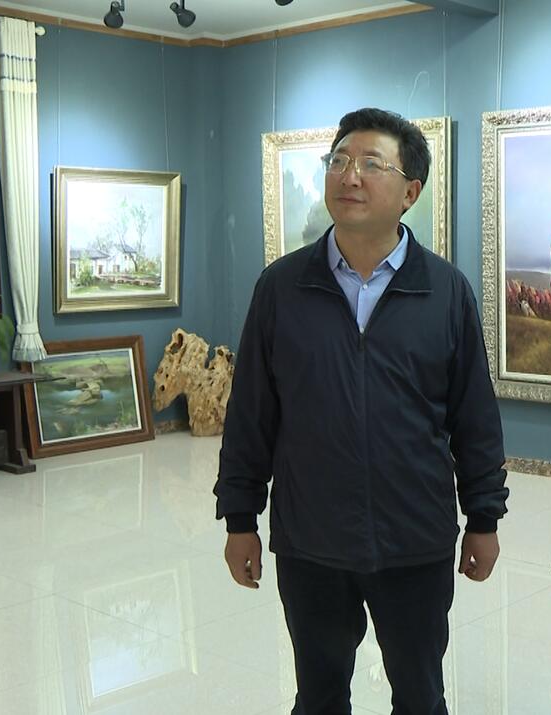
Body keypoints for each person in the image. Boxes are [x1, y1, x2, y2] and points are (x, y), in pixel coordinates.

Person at [214, 107, 509, 715]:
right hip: (311, 542)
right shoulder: (282, 287)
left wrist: (484, 516)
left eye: (371, 164)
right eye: (339, 161)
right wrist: (239, 516)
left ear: (410, 192)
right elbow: (251, 415)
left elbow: (474, 417)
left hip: (415, 541)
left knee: (420, 696)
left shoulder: (445, 291)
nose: (349, 176)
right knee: (319, 697)